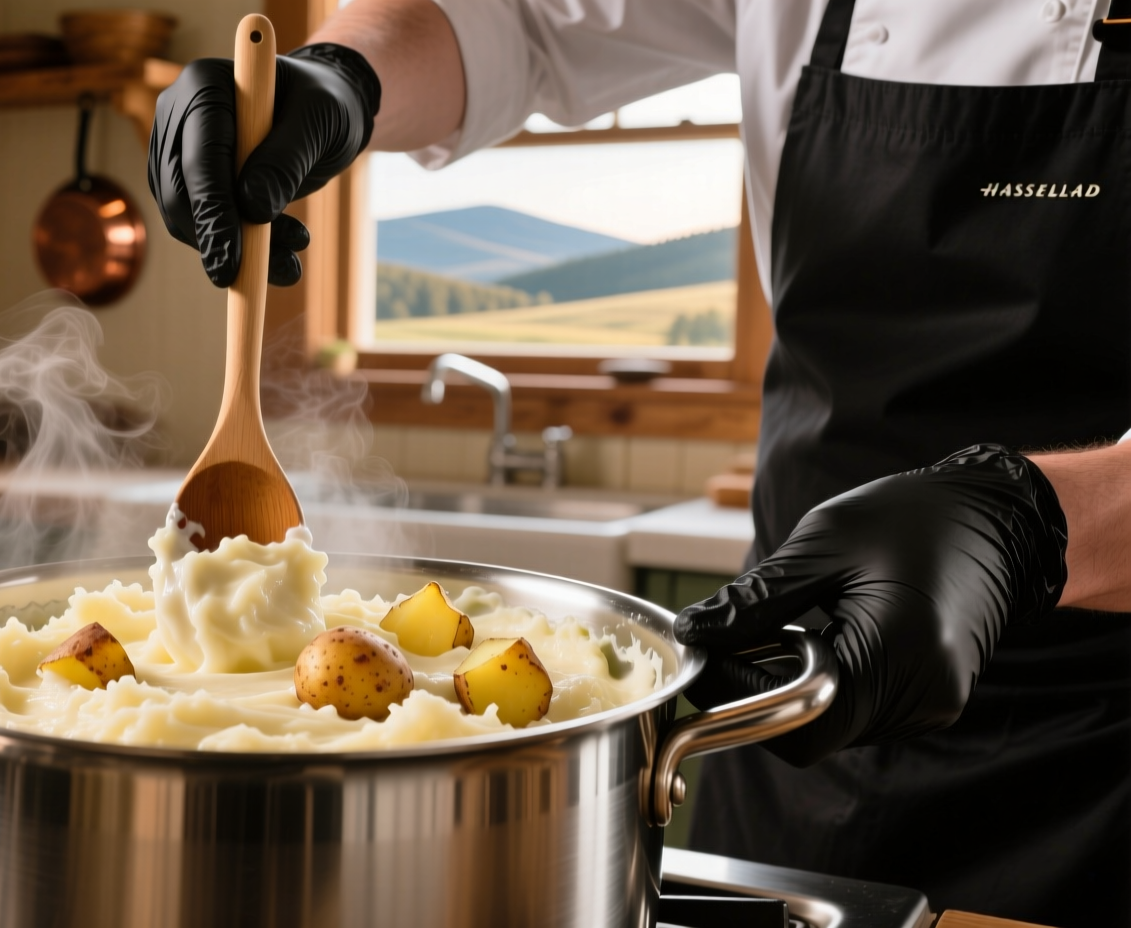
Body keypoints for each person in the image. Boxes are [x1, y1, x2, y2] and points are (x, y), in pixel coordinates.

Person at [148, 1, 1131, 924]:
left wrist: (1031, 521)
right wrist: (342, 74)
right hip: (799, 696)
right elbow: (518, 20)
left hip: (1103, 751)